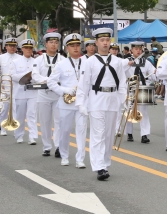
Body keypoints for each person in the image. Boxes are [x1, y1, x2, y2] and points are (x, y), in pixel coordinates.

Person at [75, 27, 128, 181]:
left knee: (109, 135)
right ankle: (99, 167)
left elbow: (122, 83)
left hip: (112, 99)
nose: (105, 43)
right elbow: (84, 83)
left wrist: (122, 100)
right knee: (98, 134)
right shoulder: (89, 61)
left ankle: (105, 163)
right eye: (102, 40)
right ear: (96, 42)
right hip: (96, 98)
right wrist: (81, 103)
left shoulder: (117, 61)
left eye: (107, 40)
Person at [47, 33, 87, 167]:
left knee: (81, 130)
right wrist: (64, 90)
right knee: (65, 129)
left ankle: (80, 158)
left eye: (77, 45)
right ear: (67, 48)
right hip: (66, 102)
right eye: (72, 46)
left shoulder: (87, 62)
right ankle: (64, 154)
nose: (75, 48)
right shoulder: (61, 64)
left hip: (82, 102)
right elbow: (51, 82)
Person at [32, 33, 62, 157]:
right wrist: (48, 81)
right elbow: (35, 75)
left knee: (59, 121)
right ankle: (46, 146)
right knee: (45, 122)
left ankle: (59, 146)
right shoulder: (38, 60)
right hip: (43, 94)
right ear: (46, 44)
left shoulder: (63, 59)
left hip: (58, 94)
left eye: (56, 42)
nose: (54, 45)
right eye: (51, 42)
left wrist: (54, 84)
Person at [124, 40, 156, 143]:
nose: (138, 51)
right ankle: (129, 133)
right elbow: (121, 73)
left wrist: (154, 73)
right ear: (131, 50)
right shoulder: (127, 61)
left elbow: (152, 73)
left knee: (144, 112)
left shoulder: (146, 62)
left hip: (143, 88)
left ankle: (144, 134)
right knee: (129, 110)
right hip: (131, 88)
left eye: (139, 49)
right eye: (136, 49)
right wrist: (127, 65)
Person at [12, 39, 39, 146]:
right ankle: (19, 135)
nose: (28, 50)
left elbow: (38, 76)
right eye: (26, 48)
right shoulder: (16, 62)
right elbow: (13, 75)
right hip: (20, 92)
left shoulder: (36, 62)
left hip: (32, 92)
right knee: (20, 115)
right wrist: (25, 76)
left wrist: (32, 78)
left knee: (32, 114)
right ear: (22, 49)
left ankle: (32, 136)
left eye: (30, 48)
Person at [0, 37, 20, 137]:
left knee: (15, 108)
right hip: (4, 86)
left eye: (14, 46)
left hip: (16, 86)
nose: (12, 48)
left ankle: (16, 130)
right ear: (6, 47)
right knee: (4, 108)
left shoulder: (19, 58)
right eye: (10, 46)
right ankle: (3, 127)